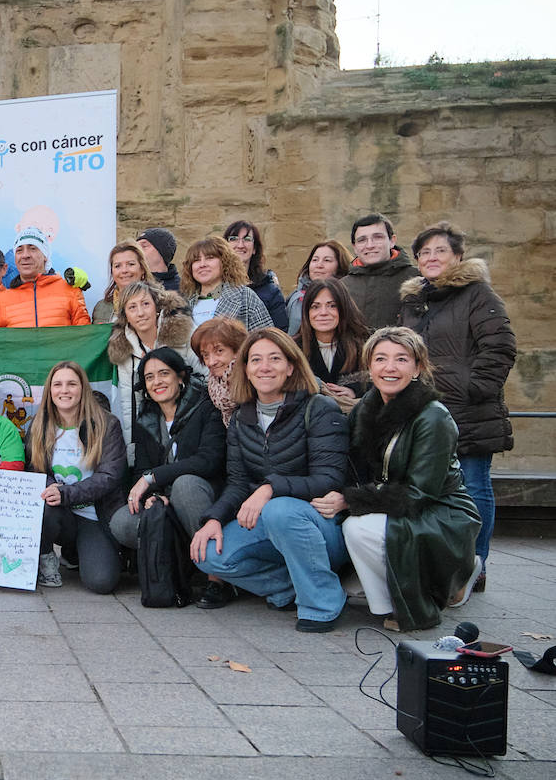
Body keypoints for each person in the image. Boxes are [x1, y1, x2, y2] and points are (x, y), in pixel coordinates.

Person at [311, 328, 482, 632]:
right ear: (370, 366)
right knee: (349, 527)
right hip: (394, 500)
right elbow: (347, 457)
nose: (389, 368)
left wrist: (350, 499)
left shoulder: (434, 417)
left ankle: (418, 599)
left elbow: (419, 493)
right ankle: (390, 598)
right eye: (380, 359)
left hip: (441, 510)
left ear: (417, 368)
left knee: (357, 526)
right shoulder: (368, 405)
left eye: (401, 359)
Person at [188, 328, 351, 632]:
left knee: (279, 509)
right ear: (246, 369)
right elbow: (237, 482)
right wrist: (213, 519)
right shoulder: (241, 417)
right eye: (256, 360)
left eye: (274, 359)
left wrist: (270, 487)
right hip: (272, 523)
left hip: (320, 525)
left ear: (290, 366)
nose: (264, 367)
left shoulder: (318, 408)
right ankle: (291, 585)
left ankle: (321, 603)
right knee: (207, 555)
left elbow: (329, 478)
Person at [398, 222, 515, 591]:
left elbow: (500, 346)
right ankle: (447, 560)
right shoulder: (415, 301)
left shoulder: (478, 294)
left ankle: (476, 565)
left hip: (469, 410)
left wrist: (473, 388)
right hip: (425, 409)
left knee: (474, 484)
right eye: (425, 253)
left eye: (440, 251)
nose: (432, 258)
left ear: (458, 256)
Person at [109, 348, 225, 564]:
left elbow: (208, 461)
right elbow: (142, 470)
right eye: (149, 377)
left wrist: (153, 477)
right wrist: (153, 495)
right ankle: (183, 565)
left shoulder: (206, 406)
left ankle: (216, 573)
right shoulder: (146, 419)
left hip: (205, 495)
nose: (157, 382)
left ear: (180, 376)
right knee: (122, 521)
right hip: (168, 498)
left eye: (164, 373)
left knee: (185, 485)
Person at [28, 361, 124, 592]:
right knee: (45, 506)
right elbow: (34, 469)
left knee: (101, 583)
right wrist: (53, 489)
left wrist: (66, 493)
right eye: (58, 384)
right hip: (59, 513)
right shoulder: (39, 425)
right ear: (50, 390)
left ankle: (74, 552)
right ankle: (45, 557)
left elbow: (110, 476)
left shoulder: (107, 424)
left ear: (83, 388)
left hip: (94, 514)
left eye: (72, 384)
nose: (64, 390)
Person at [106, 281, 197, 462]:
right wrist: (132, 453)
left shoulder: (183, 330)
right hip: (154, 423)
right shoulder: (123, 348)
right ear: (126, 316)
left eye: (145, 304)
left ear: (156, 306)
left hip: (193, 416)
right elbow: (130, 403)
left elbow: (204, 376)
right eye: (132, 307)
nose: (140, 313)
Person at [0, 228, 91, 329]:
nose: (25, 255)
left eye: (33, 248)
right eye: (19, 250)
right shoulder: (2, 300)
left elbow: (85, 338)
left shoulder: (70, 291)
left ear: (45, 256)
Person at [298, 277, 370, 414]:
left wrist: (355, 390)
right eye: (315, 306)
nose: (323, 312)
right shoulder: (293, 348)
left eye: (332, 305)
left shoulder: (366, 344)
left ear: (343, 308)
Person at [178, 236, 274, 331]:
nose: (202, 264)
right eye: (196, 260)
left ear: (224, 262)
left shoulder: (245, 296)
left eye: (210, 258)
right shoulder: (182, 303)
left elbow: (266, 339)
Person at [344, 212, 418, 330]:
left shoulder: (417, 279)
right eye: (362, 240)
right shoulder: (342, 287)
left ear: (392, 241)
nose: (370, 245)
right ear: (355, 248)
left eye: (377, 237)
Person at [224, 220, 288, 330]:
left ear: (254, 249)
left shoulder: (270, 291)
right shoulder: (215, 286)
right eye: (233, 239)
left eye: (247, 239)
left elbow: (280, 332)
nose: (240, 245)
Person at [190, 316, 248, 427]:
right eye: (205, 355)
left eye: (219, 351)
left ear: (238, 349)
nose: (211, 362)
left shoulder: (254, 382)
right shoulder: (214, 388)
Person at [288, 239, 351, 336]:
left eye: (327, 260)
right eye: (315, 260)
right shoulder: (295, 298)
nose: (319, 265)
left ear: (339, 266)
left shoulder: (349, 295)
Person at [96, 240, 154, 323]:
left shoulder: (159, 303)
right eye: (117, 266)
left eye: (131, 264)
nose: (124, 270)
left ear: (142, 268)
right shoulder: (101, 308)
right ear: (112, 272)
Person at [136, 227, 180, 293]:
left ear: (162, 251)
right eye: (136, 247)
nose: (137, 250)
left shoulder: (184, 288)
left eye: (144, 246)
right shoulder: (132, 284)